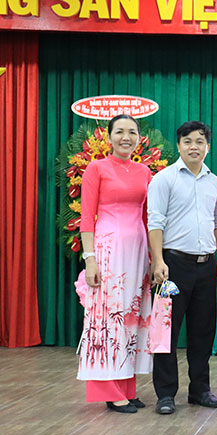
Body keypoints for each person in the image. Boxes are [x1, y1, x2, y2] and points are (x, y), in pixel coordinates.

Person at [148, 120, 217, 415]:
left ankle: (200, 390)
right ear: (179, 145)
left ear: (208, 146)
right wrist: (158, 260)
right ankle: (165, 394)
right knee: (166, 332)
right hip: (173, 265)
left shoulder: (214, 181)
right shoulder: (164, 179)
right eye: (188, 141)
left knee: (202, 331)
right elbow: (155, 222)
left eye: (200, 141)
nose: (194, 146)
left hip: (206, 265)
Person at [75, 114, 152, 414]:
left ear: (139, 138)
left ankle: (127, 387)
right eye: (119, 131)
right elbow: (86, 218)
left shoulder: (145, 171)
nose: (126, 137)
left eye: (132, 132)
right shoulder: (96, 169)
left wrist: (152, 257)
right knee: (109, 317)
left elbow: (147, 216)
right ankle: (109, 389)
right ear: (109, 137)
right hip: (108, 249)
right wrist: (90, 259)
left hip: (137, 250)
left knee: (131, 315)